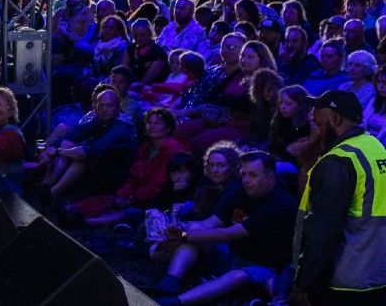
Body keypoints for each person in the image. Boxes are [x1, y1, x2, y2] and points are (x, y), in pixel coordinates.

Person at [157, 152, 298, 306]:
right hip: (233, 254)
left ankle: (175, 302)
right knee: (196, 232)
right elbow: (209, 224)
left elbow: (228, 234)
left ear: (270, 178)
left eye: (253, 175)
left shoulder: (279, 205)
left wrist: (184, 235)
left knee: (238, 275)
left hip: (264, 266)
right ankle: (169, 284)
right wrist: (183, 231)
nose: (246, 180)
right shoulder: (240, 191)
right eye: (244, 174)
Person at [292, 90, 386, 305]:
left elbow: (324, 229)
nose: (313, 125)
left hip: (343, 282)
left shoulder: (338, 161)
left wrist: (305, 281)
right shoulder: (375, 147)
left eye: (317, 122)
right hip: (376, 275)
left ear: (335, 119)